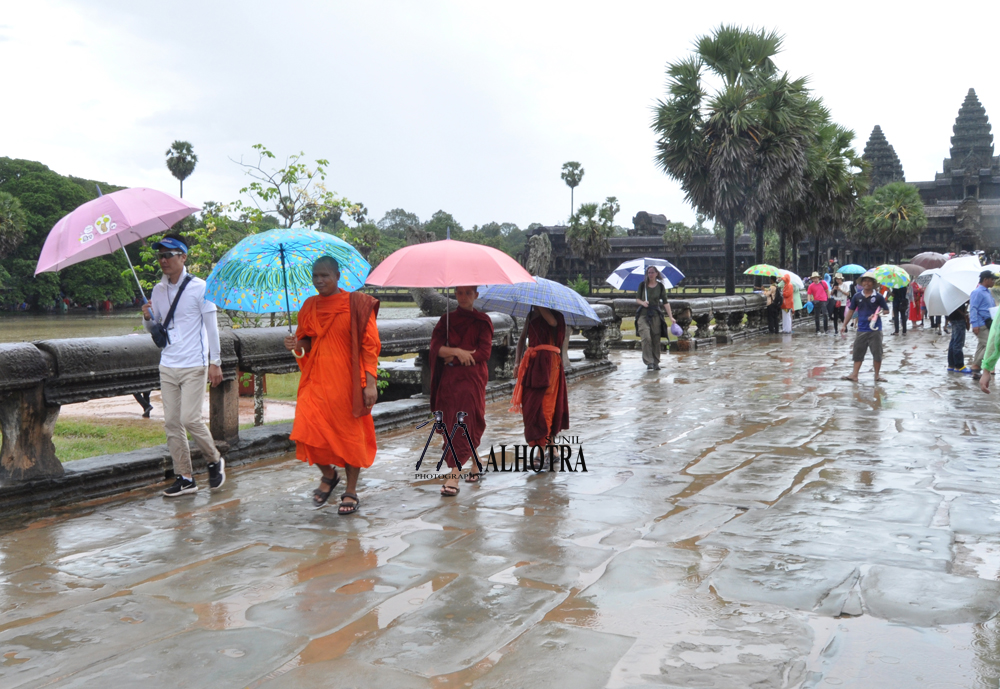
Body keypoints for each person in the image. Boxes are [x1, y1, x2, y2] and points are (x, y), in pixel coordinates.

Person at [283, 256, 380, 514]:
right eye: (315, 275)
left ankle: (350, 490)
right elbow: (308, 343)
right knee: (306, 429)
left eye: (325, 275)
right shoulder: (310, 306)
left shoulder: (357, 304)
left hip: (348, 381)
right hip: (316, 380)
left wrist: (370, 384)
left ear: (338, 276)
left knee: (350, 435)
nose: (319, 280)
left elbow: (370, 346)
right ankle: (329, 475)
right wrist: (296, 345)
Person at [141, 233, 225, 497]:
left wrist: (215, 362)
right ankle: (185, 477)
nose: (163, 260)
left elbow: (212, 329)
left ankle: (214, 459)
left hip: (194, 364)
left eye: (168, 254)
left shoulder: (201, 288)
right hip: (168, 363)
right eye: (160, 255)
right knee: (172, 424)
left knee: (190, 419)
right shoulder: (157, 290)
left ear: (183, 257)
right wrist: (147, 317)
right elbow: (156, 329)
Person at [430, 286, 493, 496]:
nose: (463, 297)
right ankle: (476, 463)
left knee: (463, 421)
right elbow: (435, 349)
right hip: (450, 380)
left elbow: (484, 352)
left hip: (472, 378)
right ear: (454, 295)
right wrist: (457, 351)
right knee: (452, 422)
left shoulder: (483, 321)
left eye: (468, 293)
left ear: (476, 295)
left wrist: (452, 357)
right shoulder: (446, 321)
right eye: (459, 293)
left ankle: (454, 475)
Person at [510, 305, 569, 447]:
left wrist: (539, 306)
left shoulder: (557, 316)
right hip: (532, 364)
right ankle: (550, 447)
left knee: (547, 405)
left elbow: (552, 323)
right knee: (531, 404)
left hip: (550, 364)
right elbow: (522, 339)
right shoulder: (530, 316)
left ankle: (541, 450)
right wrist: (517, 362)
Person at [841, 271, 889, 383]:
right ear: (861, 283)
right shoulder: (857, 296)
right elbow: (851, 311)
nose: (867, 283)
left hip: (875, 329)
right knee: (858, 352)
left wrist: (877, 314)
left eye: (869, 281)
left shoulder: (878, 297)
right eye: (865, 281)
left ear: (873, 283)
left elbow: (886, 310)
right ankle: (854, 375)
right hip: (861, 328)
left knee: (877, 352)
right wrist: (844, 325)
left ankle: (877, 375)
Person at [635, 266, 675, 370]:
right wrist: (643, 303)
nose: (650, 274)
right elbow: (637, 299)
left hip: (655, 314)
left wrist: (671, 317)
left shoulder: (660, 286)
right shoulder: (642, 285)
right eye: (649, 273)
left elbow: (665, 302)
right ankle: (649, 361)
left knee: (656, 339)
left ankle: (656, 361)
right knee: (646, 337)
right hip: (643, 314)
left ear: (657, 274)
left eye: (652, 272)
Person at [969, 270, 997, 380]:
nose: (993, 281)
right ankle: (976, 366)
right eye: (992, 279)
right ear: (985, 280)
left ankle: (975, 370)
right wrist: (974, 324)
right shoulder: (977, 292)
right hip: (981, 324)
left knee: (981, 346)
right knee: (990, 345)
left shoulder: (987, 292)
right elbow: (973, 309)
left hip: (988, 322)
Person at [946, 302, 971, 373]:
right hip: (959, 319)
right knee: (958, 343)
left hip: (953, 318)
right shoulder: (956, 297)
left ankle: (951, 364)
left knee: (953, 341)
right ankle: (959, 366)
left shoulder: (948, 296)